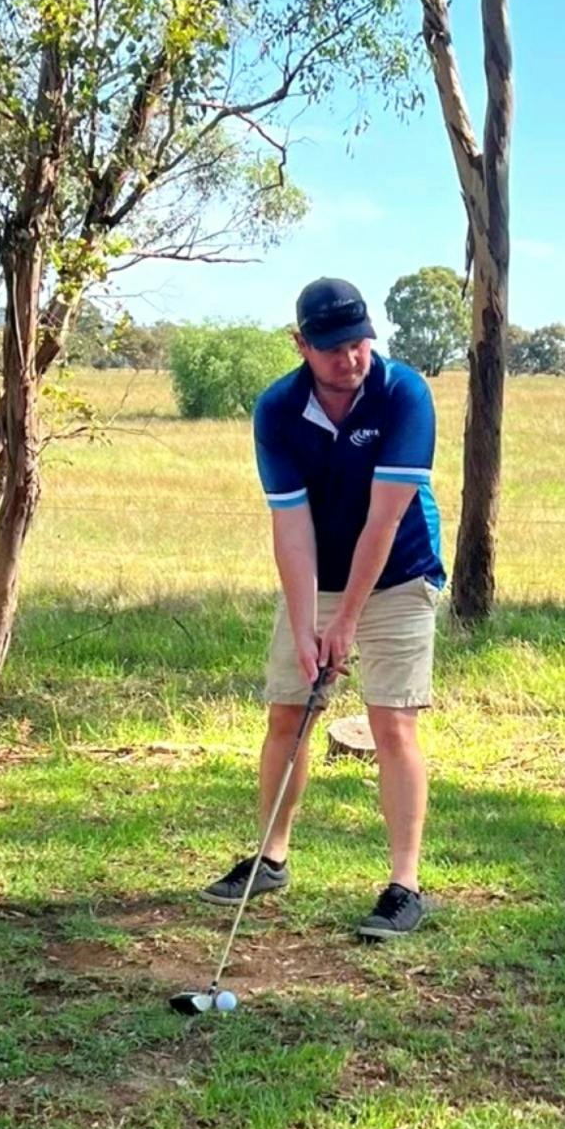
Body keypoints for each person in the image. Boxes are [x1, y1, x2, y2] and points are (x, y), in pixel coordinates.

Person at [201, 277, 445, 938]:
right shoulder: (277, 410)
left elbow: (384, 521)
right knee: (289, 711)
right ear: (301, 344)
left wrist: (343, 624)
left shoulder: (403, 394)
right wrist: (309, 623)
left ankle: (404, 886)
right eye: (333, 347)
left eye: (359, 341)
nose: (350, 358)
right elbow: (291, 526)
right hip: (319, 573)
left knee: (392, 723)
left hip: (399, 572)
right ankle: (271, 859)